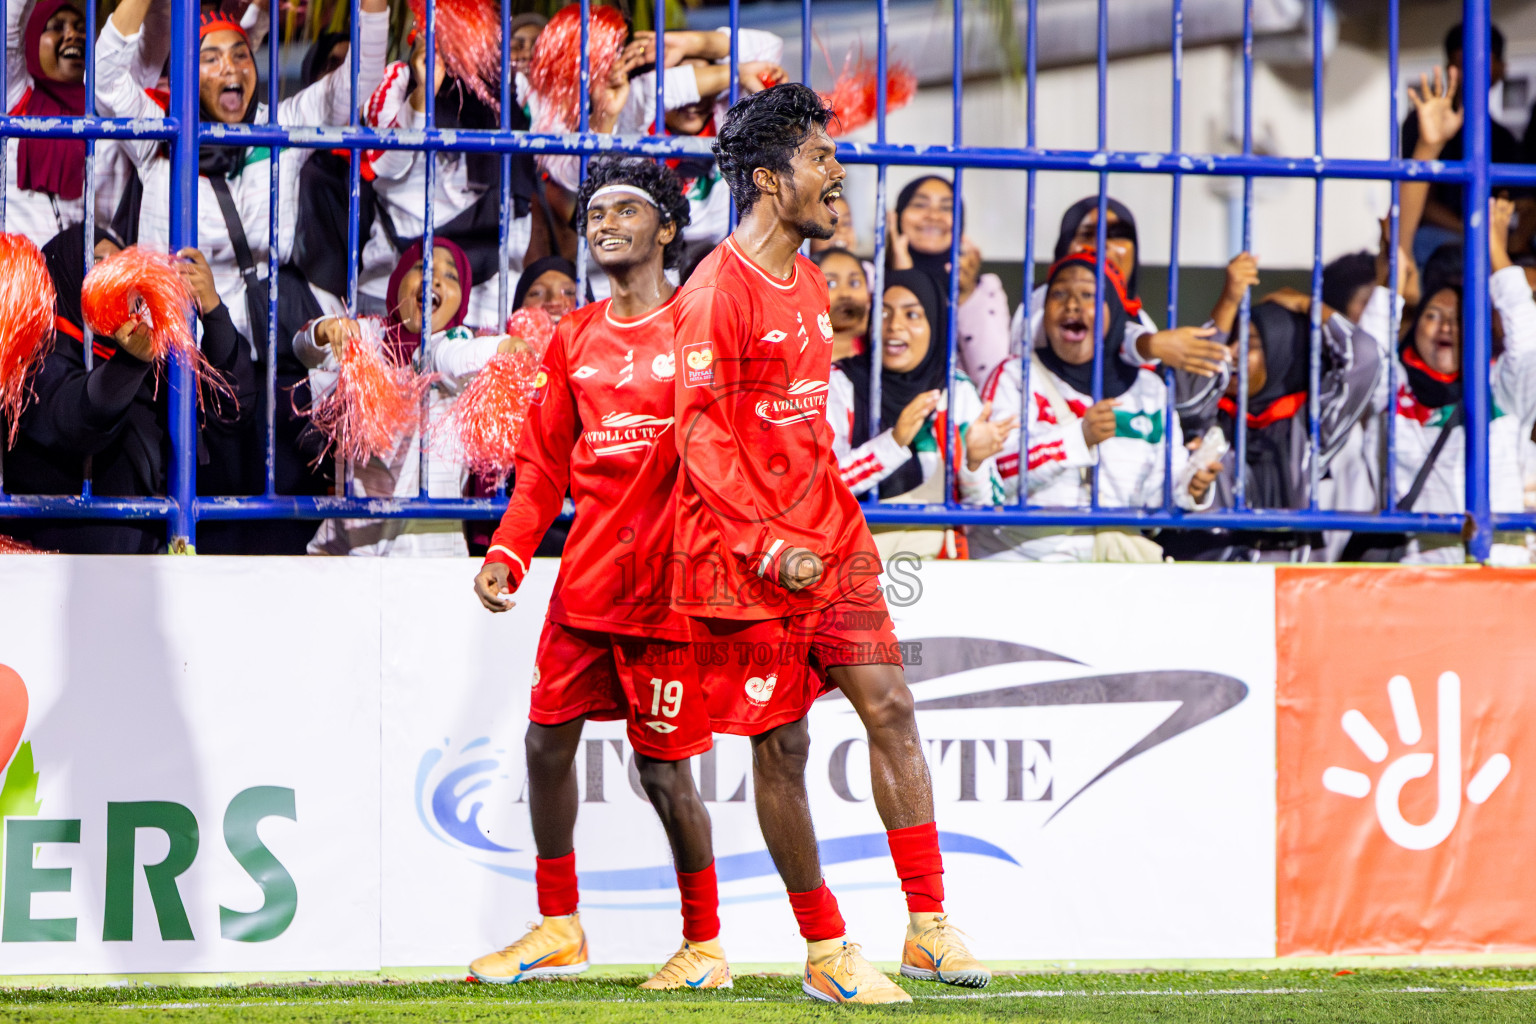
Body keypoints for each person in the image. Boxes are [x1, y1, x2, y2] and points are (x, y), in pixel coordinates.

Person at [671, 82, 989, 1004]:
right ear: (770, 180)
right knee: (782, 751)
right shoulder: (713, 292)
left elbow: (799, 433)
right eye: (819, 159)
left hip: (832, 539)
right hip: (750, 563)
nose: (835, 171)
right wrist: (768, 548)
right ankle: (825, 948)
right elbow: (700, 440)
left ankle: (928, 925)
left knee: (890, 706)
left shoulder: (811, 280)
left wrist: (821, 529)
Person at [467, 157, 732, 990]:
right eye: (593, 211)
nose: (604, 221)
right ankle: (558, 924)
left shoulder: (701, 328)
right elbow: (542, 469)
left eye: (625, 208)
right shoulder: (570, 337)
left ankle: (704, 944)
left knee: (663, 772)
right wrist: (508, 551)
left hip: (668, 591)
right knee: (546, 745)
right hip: (585, 585)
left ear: (666, 227)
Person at [97, 0, 389, 347]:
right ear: (186, 73)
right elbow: (105, 78)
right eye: (211, 58)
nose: (231, 69)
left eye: (239, 54)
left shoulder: (279, 129)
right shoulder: (162, 134)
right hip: (172, 348)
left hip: (262, 352)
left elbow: (362, 78)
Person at [4, 227, 252, 553]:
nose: (115, 274)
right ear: (64, 272)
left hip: (159, 561)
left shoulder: (155, 354)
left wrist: (214, 312)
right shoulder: (33, 361)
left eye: (122, 263)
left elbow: (233, 409)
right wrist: (129, 365)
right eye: (97, 262)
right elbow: (78, 415)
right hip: (76, 569)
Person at [969, 251, 1216, 561]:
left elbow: (1156, 489)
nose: (1072, 304)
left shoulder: (1150, 390)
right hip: (1022, 564)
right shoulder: (1015, 376)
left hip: (1110, 576)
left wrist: (1190, 487)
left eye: (1088, 295)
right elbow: (994, 475)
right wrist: (1078, 438)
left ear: (1113, 309)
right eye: (1059, 293)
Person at [1170, 252, 1381, 561]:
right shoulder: (1210, 417)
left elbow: (1365, 357)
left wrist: (1308, 305)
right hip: (1219, 588)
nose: (1232, 353)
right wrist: (1229, 301)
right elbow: (1191, 383)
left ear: (1283, 352)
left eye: (1252, 344)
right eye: (1231, 340)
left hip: (1296, 591)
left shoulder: (1309, 426)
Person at [1370, 198, 1536, 564]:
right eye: (1433, 314)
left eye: (1460, 318)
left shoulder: (1502, 390)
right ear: (1415, 328)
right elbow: (1368, 354)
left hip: (1499, 579)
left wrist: (1498, 258)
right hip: (1417, 582)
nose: (1446, 326)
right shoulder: (1393, 391)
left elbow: (1527, 349)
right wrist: (1390, 283)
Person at [295, 238, 476, 556]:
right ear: (398, 280)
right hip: (353, 545)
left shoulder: (460, 351)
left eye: (451, 276)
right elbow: (306, 349)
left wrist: (504, 349)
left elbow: (461, 358)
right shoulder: (371, 337)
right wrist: (326, 330)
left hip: (431, 553)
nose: (434, 278)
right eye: (422, 267)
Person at [362, 20, 537, 326]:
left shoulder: (513, 88)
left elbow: (567, 169)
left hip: (491, 299)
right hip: (397, 288)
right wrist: (424, 90)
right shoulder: (397, 79)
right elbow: (383, 163)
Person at [830, 269, 1010, 558]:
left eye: (912, 315)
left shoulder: (956, 390)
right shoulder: (839, 383)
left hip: (938, 570)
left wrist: (972, 463)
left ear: (936, 325)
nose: (894, 326)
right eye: (884, 314)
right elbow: (820, 489)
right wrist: (892, 443)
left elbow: (986, 512)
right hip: (853, 567)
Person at [1011, 195, 1229, 385]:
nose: (1103, 245)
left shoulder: (1140, 317)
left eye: (1116, 235)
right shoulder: (1041, 303)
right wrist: (1149, 345)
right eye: (1087, 234)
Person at [1401, 24, 1527, 267]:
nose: (1471, 72)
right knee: (1436, 247)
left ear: (1501, 68)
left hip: (1490, 236)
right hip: (1443, 236)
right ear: (1449, 68)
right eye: (1461, 63)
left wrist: (1515, 235)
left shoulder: (1504, 138)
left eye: (1482, 64)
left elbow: (1521, 202)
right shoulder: (1423, 124)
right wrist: (1477, 231)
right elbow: (1423, 204)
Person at [885, 175, 1011, 386]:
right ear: (897, 217)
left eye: (946, 208)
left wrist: (966, 294)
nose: (933, 215)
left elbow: (991, 375)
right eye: (920, 205)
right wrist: (904, 279)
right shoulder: (870, 279)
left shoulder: (985, 288)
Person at [811, 247, 868, 361]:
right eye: (831, 284)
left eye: (854, 282)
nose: (845, 294)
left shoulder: (877, 353)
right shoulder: (800, 359)